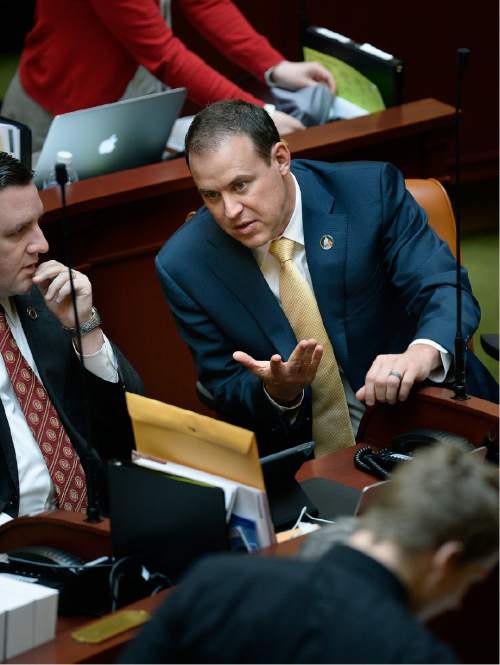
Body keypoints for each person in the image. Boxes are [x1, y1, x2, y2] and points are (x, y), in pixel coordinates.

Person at [155, 100, 496, 457]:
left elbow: (444, 288)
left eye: (241, 186)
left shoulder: (368, 194)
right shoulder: (185, 264)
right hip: (307, 458)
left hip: (425, 415)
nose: (230, 211)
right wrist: (277, 391)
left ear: (281, 159)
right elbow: (222, 384)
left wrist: (420, 353)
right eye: (211, 195)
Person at [121, 443, 499, 664]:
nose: (455, 602)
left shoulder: (214, 581)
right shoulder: (417, 657)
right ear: (447, 560)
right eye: (470, 580)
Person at [0, 151, 143, 524]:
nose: (42, 245)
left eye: (38, 224)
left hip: (96, 525)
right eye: (17, 232)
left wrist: (85, 328)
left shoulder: (41, 298)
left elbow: (131, 431)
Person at [1, 0, 336, 152]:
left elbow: (206, 3)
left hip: (135, 94)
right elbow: (164, 55)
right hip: (59, 109)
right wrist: (257, 114)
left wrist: (274, 66)